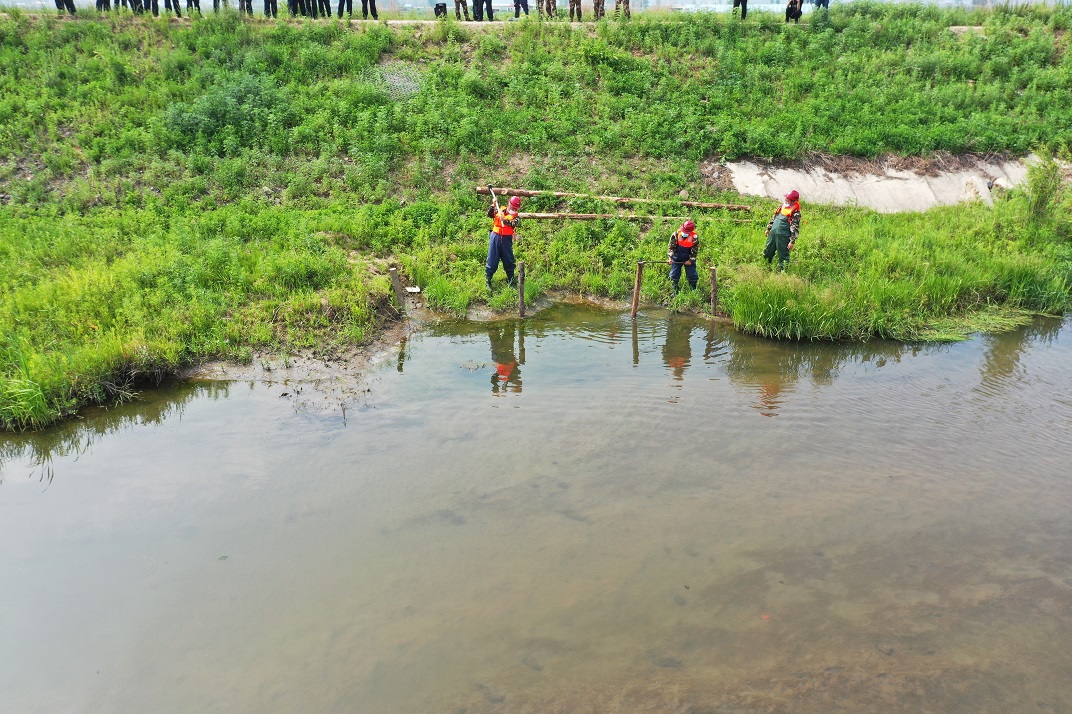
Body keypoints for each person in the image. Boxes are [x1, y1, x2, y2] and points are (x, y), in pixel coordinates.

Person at [486, 195, 521, 291]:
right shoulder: (499, 209)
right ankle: (488, 281)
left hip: (506, 240)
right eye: (513, 206)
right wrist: (493, 205)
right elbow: (489, 214)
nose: (514, 209)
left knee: (508, 259)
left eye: (516, 208)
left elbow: (513, 224)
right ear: (509, 203)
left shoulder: (516, 217)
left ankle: (511, 281)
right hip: (495, 237)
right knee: (492, 259)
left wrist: (504, 220)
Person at [764, 190, 801, 271]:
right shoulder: (782, 207)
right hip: (773, 233)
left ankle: (783, 272)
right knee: (768, 250)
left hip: (783, 236)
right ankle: (766, 267)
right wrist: (768, 228)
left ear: (793, 201)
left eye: (788, 199)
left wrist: (792, 241)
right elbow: (774, 218)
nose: (786, 200)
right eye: (786, 199)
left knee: (783, 255)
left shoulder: (796, 213)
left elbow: (794, 227)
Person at [667, 220, 699, 292]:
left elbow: (695, 250)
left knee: (692, 275)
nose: (685, 233)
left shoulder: (694, 237)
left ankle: (693, 290)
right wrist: (670, 258)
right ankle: (675, 290)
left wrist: (690, 260)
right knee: (673, 275)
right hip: (677, 257)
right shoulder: (676, 234)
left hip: (689, 257)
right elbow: (671, 248)